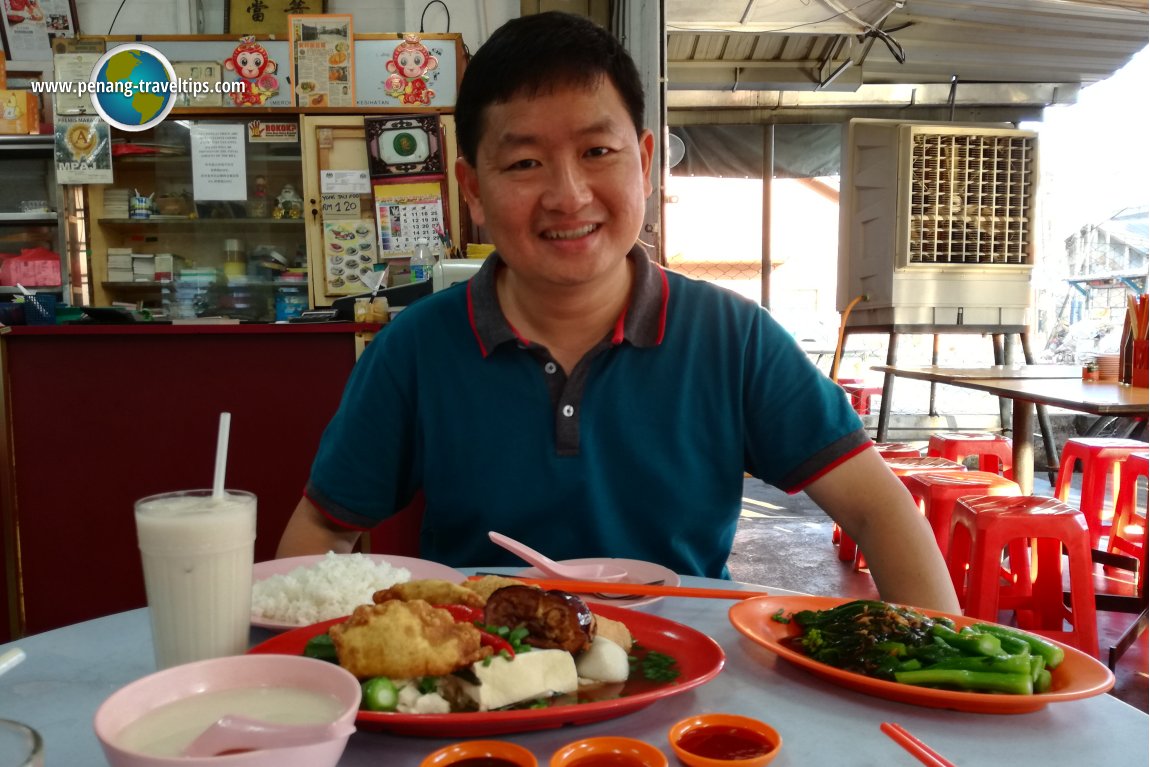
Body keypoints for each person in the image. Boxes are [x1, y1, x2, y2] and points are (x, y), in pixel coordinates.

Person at [278, 11, 960, 612]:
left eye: (597, 152)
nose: (568, 195)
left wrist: (946, 695)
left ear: (644, 162)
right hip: (480, 689)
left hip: (687, 688)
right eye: (523, 164)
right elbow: (323, 529)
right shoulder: (415, 348)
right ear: (473, 190)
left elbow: (878, 508)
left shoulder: (733, 338)